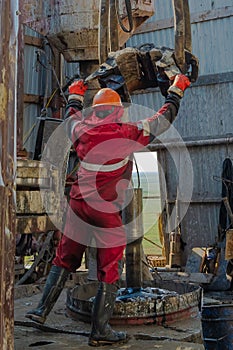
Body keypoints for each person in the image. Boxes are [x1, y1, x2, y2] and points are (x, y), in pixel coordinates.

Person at [26, 74, 190, 346]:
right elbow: (163, 119)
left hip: (78, 205)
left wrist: (75, 93)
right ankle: (100, 332)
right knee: (110, 268)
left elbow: (72, 114)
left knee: (65, 257)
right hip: (104, 212)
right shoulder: (126, 132)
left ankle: (40, 311)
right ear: (117, 111)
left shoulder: (81, 129)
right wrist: (176, 90)